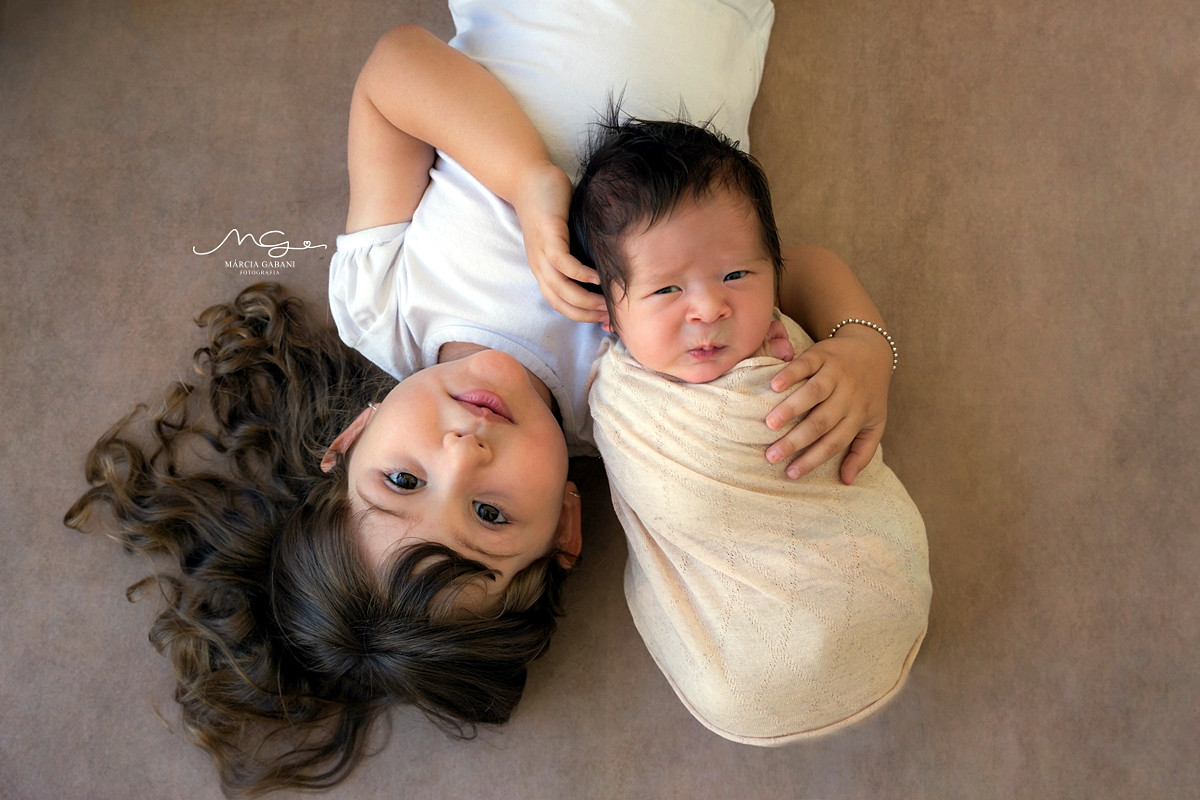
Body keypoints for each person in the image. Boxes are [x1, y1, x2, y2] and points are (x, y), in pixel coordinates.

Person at [66, 0, 894, 794]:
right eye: (490, 516)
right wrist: (862, 349)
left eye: (403, 480)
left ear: (351, 437)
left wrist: (528, 181)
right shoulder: (637, 400)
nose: (463, 455)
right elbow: (787, 274)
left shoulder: (381, 306)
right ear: (565, 523)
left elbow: (395, 71)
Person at [571, 117, 932, 743]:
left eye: (737, 275)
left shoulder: (778, 332)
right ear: (608, 311)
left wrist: (864, 346)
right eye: (666, 289)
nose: (709, 308)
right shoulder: (621, 398)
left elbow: (813, 264)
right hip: (740, 664)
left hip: (862, 568)